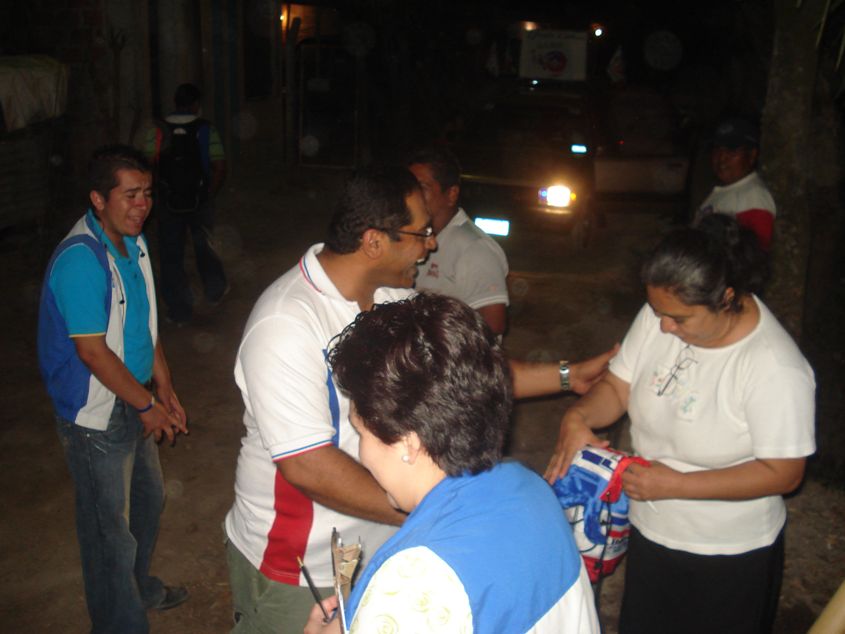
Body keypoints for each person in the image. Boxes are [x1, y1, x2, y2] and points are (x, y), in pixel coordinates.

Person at [224, 165, 614, 633]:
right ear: (374, 242)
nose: (431, 245)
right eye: (421, 233)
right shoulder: (286, 324)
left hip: (386, 538)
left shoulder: (392, 298)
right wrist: (433, 510)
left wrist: (568, 375)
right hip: (303, 558)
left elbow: (459, 379)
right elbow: (307, 465)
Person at [544, 214, 816, 634]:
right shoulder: (663, 311)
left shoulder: (774, 368)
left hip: (730, 554)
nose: (664, 327)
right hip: (651, 531)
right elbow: (617, 387)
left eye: (679, 319)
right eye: (657, 312)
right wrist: (577, 417)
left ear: (726, 297)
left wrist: (677, 485)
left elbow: (784, 472)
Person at [304, 293, 600, 633]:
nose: (362, 453)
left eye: (361, 433)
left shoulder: (416, 584)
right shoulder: (531, 488)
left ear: (408, 442)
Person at [37, 145, 190, 633]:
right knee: (108, 532)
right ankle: (118, 623)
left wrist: (164, 387)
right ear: (98, 199)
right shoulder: (81, 260)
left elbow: (143, 324)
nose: (142, 205)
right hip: (96, 413)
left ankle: (136, 589)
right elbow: (93, 353)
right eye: (130, 195)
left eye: (147, 193)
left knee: (147, 500)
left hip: (134, 396)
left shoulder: (133, 243)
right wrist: (146, 404)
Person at [146, 82, 228, 324]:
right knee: (205, 246)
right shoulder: (205, 129)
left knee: (171, 253)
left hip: (168, 200)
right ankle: (214, 291)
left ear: (175, 102)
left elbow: (148, 164)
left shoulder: (158, 129)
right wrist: (208, 193)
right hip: (199, 199)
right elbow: (219, 166)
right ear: (196, 104)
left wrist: (157, 193)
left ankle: (179, 308)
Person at [409, 146, 510, 336]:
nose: (412, 196)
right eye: (410, 187)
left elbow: (493, 325)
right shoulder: (412, 238)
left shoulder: (474, 248)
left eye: (422, 188)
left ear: (451, 194)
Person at [694, 116, 776, 250]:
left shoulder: (753, 195)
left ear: (752, 155)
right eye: (717, 150)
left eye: (731, 151)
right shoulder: (725, 192)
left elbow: (754, 255)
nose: (722, 158)